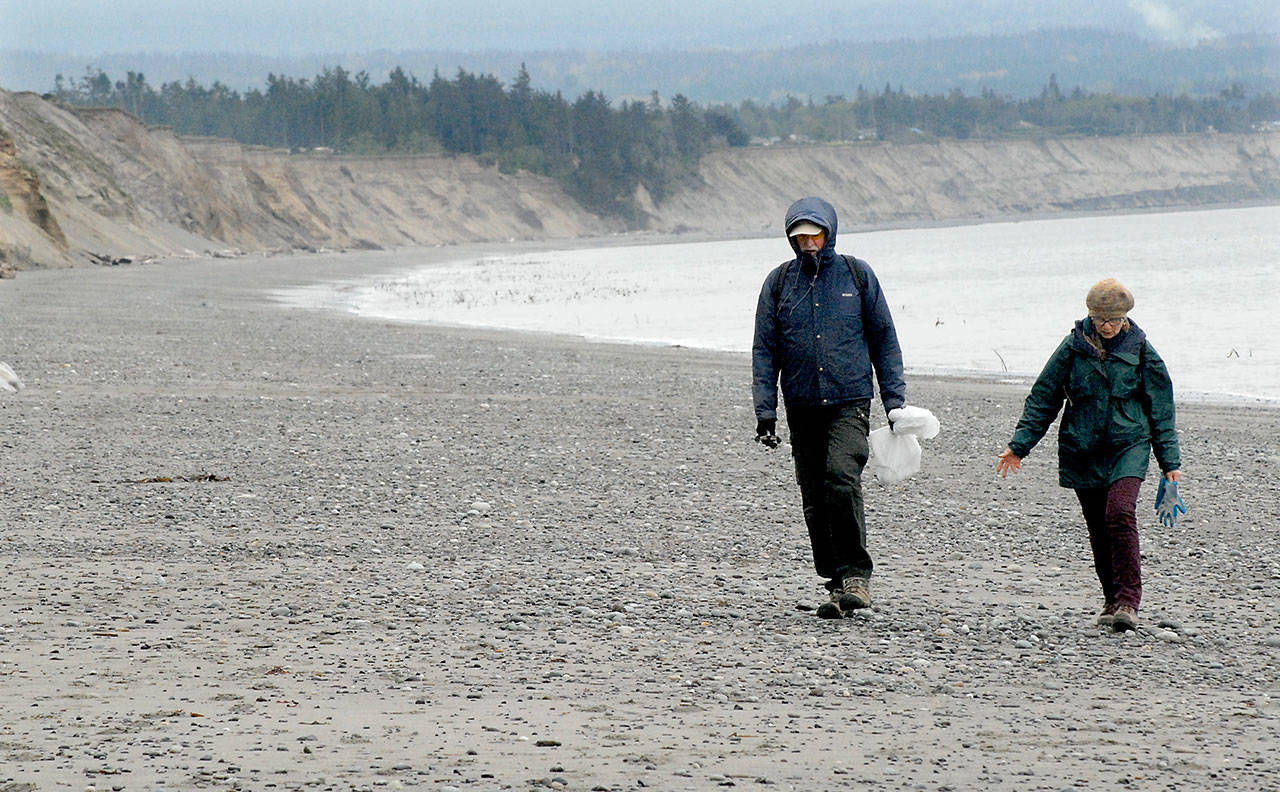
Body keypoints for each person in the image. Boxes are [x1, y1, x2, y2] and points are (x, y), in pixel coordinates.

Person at [996, 278, 1182, 632]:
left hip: (1130, 443)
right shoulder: (1072, 347)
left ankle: (1129, 600)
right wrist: (1019, 446)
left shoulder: (1141, 349)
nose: (1108, 326)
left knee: (1120, 512)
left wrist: (1169, 462)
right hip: (1083, 448)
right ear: (1090, 317)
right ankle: (1111, 598)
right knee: (1098, 526)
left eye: (1115, 320)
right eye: (1101, 320)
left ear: (1126, 317)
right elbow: (1044, 397)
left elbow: (1160, 407)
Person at [752, 197, 907, 619]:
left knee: (840, 476)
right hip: (801, 405)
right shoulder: (779, 282)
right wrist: (765, 413)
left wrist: (895, 403)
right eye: (799, 236)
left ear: (830, 232)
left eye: (814, 234)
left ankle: (857, 574)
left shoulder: (857, 275)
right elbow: (764, 351)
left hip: (850, 401)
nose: (808, 243)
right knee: (814, 495)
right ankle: (836, 580)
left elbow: (885, 340)